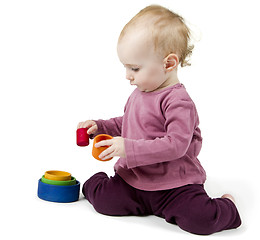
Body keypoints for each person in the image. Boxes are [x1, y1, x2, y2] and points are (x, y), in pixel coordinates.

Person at [77, 5, 241, 235]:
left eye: (134, 67)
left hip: (175, 186)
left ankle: (227, 206)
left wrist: (128, 148)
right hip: (134, 179)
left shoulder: (178, 101)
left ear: (169, 64)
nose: (127, 75)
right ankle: (96, 182)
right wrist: (100, 127)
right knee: (104, 201)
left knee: (201, 220)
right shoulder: (140, 93)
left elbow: (176, 144)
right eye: (126, 67)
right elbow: (129, 123)